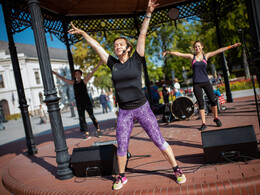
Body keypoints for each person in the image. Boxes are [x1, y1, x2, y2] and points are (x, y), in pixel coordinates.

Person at [68, 0, 186, 190]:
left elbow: (142, 34)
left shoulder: (137, 59)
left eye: (120, 44)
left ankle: (177, 169)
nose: (117, 46)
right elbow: (97, 45)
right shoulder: (112, 64)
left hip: (142, 108)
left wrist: (148, 13)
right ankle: (121, 176)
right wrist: (83, 33)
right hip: (124, 112)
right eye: (115, 45)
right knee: (121, 146)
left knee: (158, 140)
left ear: (128, 47)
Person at [161, 41, 241, 130]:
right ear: (194, 48)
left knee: (213, 101)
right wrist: (168, 52)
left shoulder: (206, 56)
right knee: (201, 104)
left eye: (199, 46)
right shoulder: (192, 57)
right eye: (195, 47)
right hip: (197, 84)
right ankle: (203, 123)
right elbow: (180, 54)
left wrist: (231, 46)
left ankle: (216, 118)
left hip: (206, 82)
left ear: (202, 47)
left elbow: (219, 50)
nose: (197, 48)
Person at [52, 60, 103, 140]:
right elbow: (64, 79)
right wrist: (55, 74)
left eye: (78, 74)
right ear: (74, 76)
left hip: (87, 102)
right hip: (79, 103)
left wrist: (98, 65)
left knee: (92, 116)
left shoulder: (84, 81)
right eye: (76, 74)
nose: (77, 75)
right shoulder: (73, 83)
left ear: (81, 75)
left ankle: (98, 129)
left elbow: (92, 72)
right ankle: (87, 133)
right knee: (82, 118)